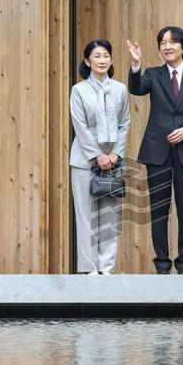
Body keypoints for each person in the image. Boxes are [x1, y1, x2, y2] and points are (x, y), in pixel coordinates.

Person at [127, 27, 183, 274]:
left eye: (173, 42)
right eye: (163, 42)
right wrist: (135, 65)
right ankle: (163, 264)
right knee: (159, 209)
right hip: (157, 152)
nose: (167, 46)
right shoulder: (153, 75)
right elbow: (136, 89)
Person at [70, 40, 130, 275]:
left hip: (114, 161)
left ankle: (106, 267)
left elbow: (125, 122)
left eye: (106, 55)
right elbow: (80, 126)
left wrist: (115, 154)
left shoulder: (120, 89)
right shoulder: (79, 90)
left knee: (110, 216)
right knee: (85, 216)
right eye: (97, 56)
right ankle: (89, 268)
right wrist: (97, 155)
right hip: (84, 161)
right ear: (87, 61)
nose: (102, 60)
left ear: (111, 60)